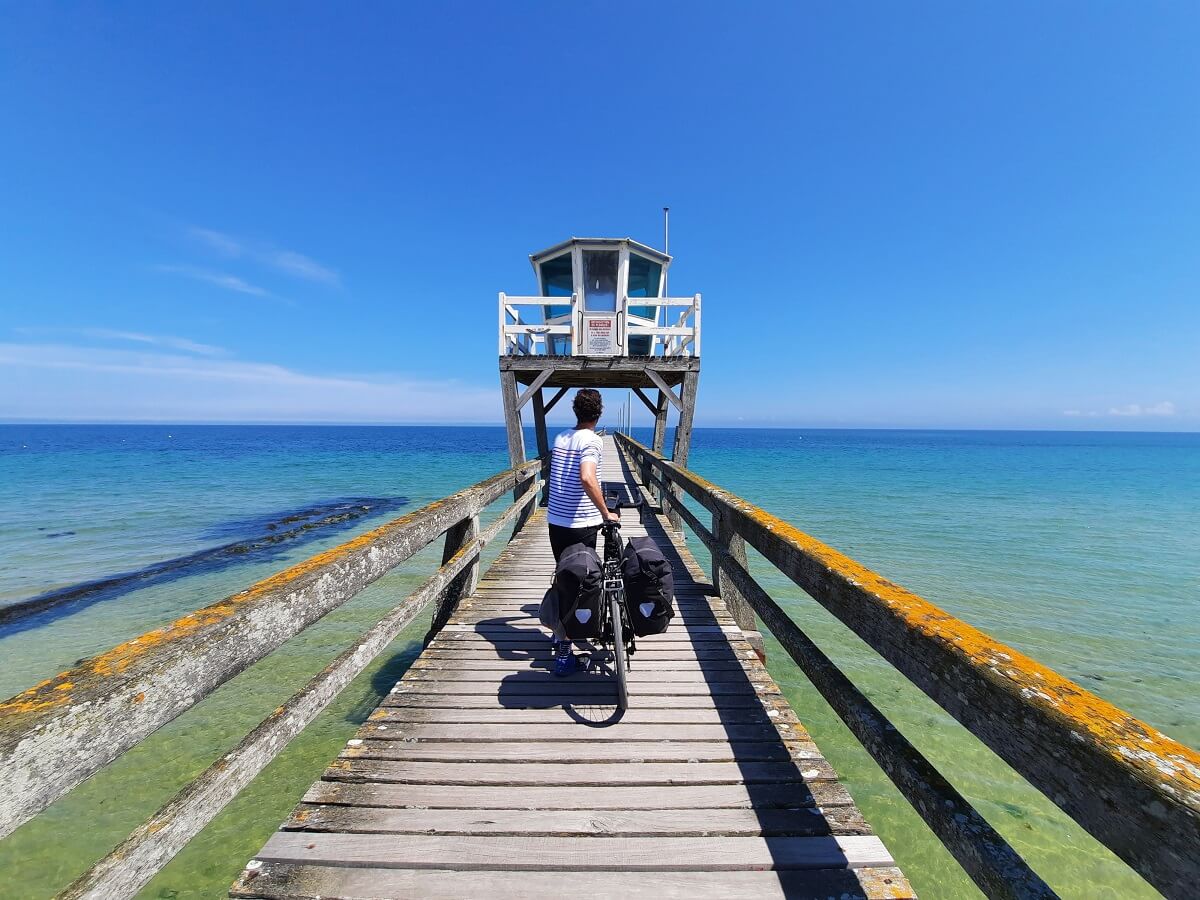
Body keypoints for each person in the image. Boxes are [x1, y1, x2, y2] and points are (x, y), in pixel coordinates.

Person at [546, 388, 620, 676]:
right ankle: (565, 655)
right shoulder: (592, 440)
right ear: (598, 413)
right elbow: (588, 477)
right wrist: (606, 513)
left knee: (565, 577)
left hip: (556, 521)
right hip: (581, 524)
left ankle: (560, 631)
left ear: (575, 411)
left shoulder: (561, 437)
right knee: (581, 583)